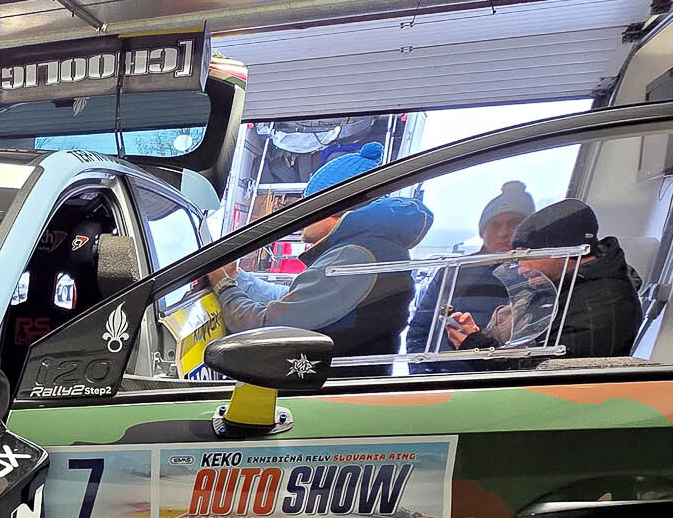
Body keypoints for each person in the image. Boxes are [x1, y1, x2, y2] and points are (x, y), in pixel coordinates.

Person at [211, 142, 429, 358]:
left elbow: (268, 328)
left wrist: (223, 286)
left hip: (332, 379)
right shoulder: (368, 247)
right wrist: (237, 277)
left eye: (310, 205)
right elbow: (293, 300)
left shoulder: (355, 256)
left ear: (335, 207)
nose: (302, 216)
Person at [444, 198, 643, 359]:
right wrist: (470, 335)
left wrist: (476, 346)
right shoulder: (559, 286)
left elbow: (547, 373)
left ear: (565, 250)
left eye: (529, 257)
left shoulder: (602, 303)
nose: (521, 270)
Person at [403, 180, 533, 358]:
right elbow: (420, 329)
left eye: (514, 224)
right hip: (444, 372)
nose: (503, 233)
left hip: (504, 372)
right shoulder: (454, 272)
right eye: (495, 225)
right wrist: (422, 369)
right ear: (482, 231)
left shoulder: (535, 275)